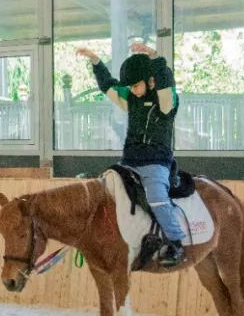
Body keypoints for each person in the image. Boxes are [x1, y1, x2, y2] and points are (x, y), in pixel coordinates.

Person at [76, 42, 185, 267]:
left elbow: (166, 83)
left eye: (136, 86)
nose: (133, 91)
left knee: (156, 198)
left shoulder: (166, 102)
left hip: (156, 163)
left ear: (150, 80)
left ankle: (175, 243)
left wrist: (155, 57)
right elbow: (108, 85)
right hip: (129, 162)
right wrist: (95, 60)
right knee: (104, 188)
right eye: (131, 87)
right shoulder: (132, 99)